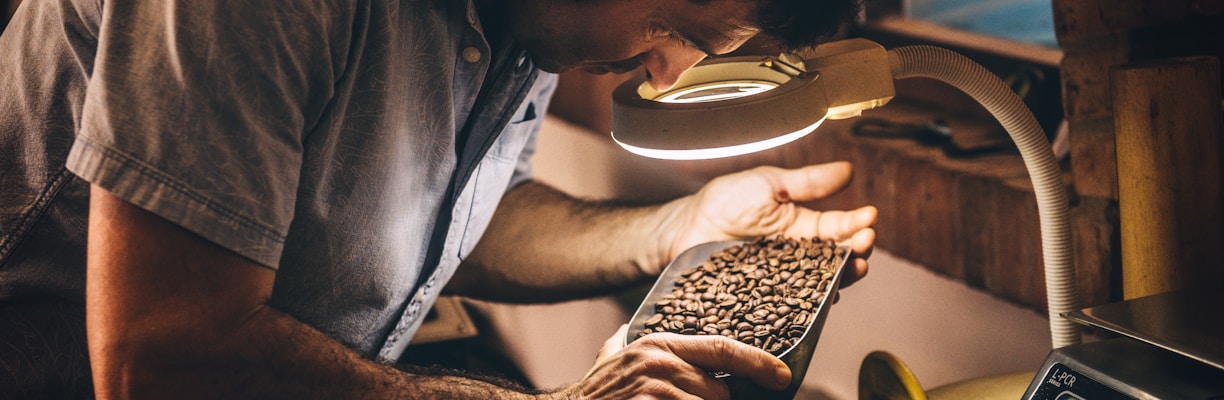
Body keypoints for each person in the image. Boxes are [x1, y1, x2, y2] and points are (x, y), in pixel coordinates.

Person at [0, 0, 875, 398]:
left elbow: (449, 226)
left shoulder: (527, 28)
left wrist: (679, 229)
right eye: (672, 30)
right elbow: (162, 358)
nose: (670, 72)